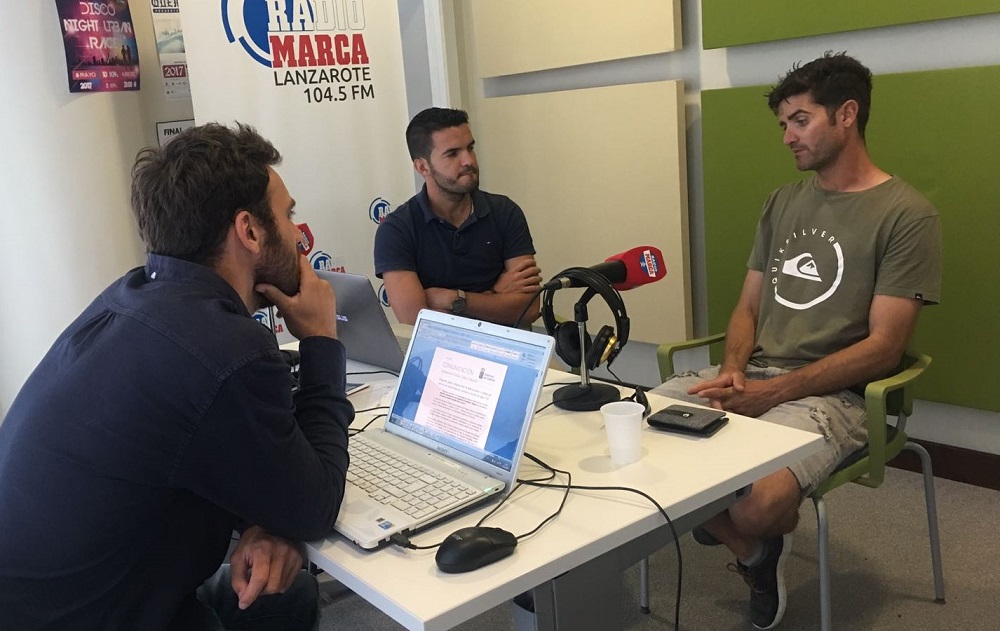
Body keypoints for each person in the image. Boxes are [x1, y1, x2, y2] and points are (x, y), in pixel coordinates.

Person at [0, 123, 353, 630]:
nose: (298, 235)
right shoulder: (225, 348)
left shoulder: (132, 295)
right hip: (102, 618)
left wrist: (263, 520)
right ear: (250, 231)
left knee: (287, 595)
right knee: (277, 593)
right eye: (287, 215)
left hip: (55, 600)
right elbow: (315, 507)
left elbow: (188, 445)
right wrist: (321, 341)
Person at [651, 52, 941, 629]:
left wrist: (774, 393)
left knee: (756, 506)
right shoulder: (781, 202)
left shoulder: (907, 215)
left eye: (800, 120)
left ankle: (746, 529)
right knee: (634, 448)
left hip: (836, 397)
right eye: (784, 123)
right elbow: (747, 307)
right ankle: (753, 553)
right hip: (756, 376)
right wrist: (734, 370)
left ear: (847, 115)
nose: (787, 136)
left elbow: (885, 347)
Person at [374, 107, 542, 326]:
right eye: (453, 153)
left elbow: (529, 309)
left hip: (506, 345)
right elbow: (417, 323)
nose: (468, 161)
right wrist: (494, 294)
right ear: (423, 167)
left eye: (470, 148)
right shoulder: (397, 230)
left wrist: (451, 299)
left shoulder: (505, 211)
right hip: (438, 348)